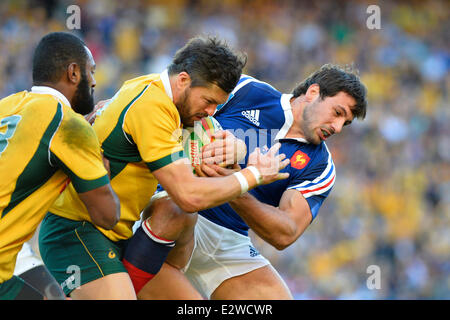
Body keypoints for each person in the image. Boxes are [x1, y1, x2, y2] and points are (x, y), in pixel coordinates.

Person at [38, 35, 291, 300]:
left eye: (218, 104)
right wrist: (253, 175)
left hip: (115, 234)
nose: (212, 111)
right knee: (182, 203)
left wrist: (237, 148)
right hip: (75, 232)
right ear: (183, 80)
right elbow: (189, 194)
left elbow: (218, 144)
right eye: (208, 101)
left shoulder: (171, 102)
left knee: (177, 212)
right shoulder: (152, 107)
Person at [125, 63, 368, 299]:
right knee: (175, 210)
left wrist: (237, 185)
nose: (337, 127)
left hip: (230, 241)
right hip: (176, 206)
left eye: (345, 123)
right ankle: (125, 286)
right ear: (313, 93)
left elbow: (285, 233)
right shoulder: (247, 90)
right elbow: (169, 101)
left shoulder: (321, 166)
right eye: (338, 113)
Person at [0, 32, 120, 300]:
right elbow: (107, 216)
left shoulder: (7, 105)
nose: (95, 81)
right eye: (92, 71)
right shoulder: (67, 124)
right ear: (74, 72)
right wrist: (100, 168)